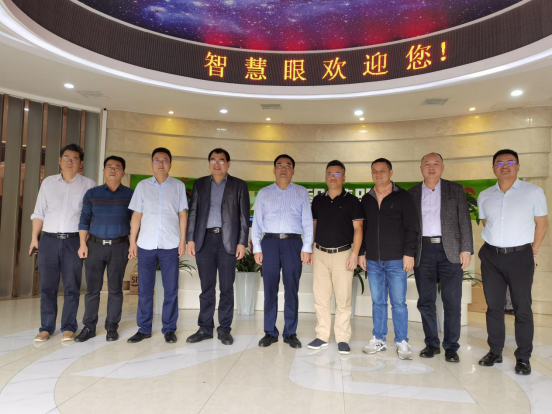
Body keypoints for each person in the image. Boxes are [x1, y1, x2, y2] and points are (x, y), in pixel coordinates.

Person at [477, 149, 548, 375]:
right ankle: (495, 351)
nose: (505, 166)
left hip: (520, 257)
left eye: (510, 162)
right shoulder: (485, 195)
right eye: (499, 163)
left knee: (522, 307)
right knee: (494, 306)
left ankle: (523, 357)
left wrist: (533, 251)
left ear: (518, 166)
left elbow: (542, 224)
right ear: (493, 168)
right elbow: (487, 222)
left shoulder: (533, 192)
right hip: (491, 256)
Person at [408, 153, 473, 362]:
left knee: (452, 300)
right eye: (427, 164)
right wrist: (407, 252)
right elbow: (407, 227)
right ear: (421, 168)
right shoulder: (412, 193)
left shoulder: (455, 190)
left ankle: (451, 347)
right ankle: (432, 344)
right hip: (423, 251)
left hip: (451, 251)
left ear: (442, 167)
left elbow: (464, 221)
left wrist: (466, 249)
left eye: (436, 163)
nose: (431, 167)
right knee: (426, 301)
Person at [30, 144, 96, 342]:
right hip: (48, 240)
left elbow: (91, 217)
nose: (70, 162)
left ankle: (68, 327)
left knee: (71, 286)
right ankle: (46, 327)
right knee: (47, 287)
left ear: (81, 163)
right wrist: (34, 238)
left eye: (75, 159)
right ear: (59, 160)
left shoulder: (89, 185)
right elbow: (39, 212)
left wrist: (84, 242)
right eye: (66, 158)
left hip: (74, 241)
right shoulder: (48, 183)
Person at [186, 148, 250, 346]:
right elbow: (193, 213)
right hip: (204, 240)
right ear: (209, 163)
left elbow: (243, 217)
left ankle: (224, 330)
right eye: (213, 160)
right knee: (206, 288)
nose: (216, 164)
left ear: (228, 164)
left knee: (226, 288)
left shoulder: (239, 185)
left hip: (227, 241)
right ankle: (205, 328)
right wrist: (190, 239)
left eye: (221, 160)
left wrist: (242, 242)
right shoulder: (200, 184)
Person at [359, 158, 419, 360]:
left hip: (396, 260)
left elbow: (411, 227)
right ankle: (379, 338)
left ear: (391, 172)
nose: (378, 174)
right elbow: (363, 229)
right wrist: (361, 252)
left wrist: (409, 253)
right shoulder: (366, 199)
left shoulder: (403, 196)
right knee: (378, 302)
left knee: (399, 302)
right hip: (373, 260)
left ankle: (402, 341)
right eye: (374, 171)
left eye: (382, 170)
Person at [127, 147, 188, 344]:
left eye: (165, 160)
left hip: (170, 244)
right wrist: (132, 242)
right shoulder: (142, 186)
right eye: (157, 160)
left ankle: (169, 329)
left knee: (171, 289)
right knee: (145, 289)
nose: (161, 163)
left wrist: (182, 240)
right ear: (151, 163)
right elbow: (137, 215)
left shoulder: (178, 186)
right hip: (146, 244)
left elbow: (182, 214)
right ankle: (144, 329)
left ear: (170, 163)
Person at [252, 154, 313, 349]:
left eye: (287, 165)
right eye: (279, 165)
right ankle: (269, 332)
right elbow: (257, 223)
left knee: (291, 290)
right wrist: (257, 248)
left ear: (293, 170)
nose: (283, 168)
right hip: (269, 243)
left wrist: (306, 247)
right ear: (274, 170)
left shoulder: (301, 192)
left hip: (293, 244)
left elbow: (307, 222)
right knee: (269, 289)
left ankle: (290, 333)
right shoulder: (264, 193)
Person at [74, 156, 134, 343]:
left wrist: (133, 244)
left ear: (123, 172)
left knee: (115, 289)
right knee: (92, 289)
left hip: (119, 246)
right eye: (109, 167)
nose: (113, 170)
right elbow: (84, 220)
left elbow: (136, 222)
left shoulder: (131, 195)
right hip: (94, 246)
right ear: (103, 171)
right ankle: (89, 327)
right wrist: (82, 244)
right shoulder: (92, 194)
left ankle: (112, 326)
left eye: (117, 167)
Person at [308, 160, 363, 355]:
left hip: (343, 254)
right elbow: (313, 227)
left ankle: (342, 338)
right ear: (325, 177)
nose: (333, 177)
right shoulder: (318, 200)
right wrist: (309, 249)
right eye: (329, 174)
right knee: (321, 298)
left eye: (337, 174)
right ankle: (322, 335)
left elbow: (358, 229)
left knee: (343, 299)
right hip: (320, 253)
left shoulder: (352, 201)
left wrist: (355, 254)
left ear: (344, 177)